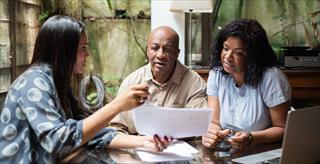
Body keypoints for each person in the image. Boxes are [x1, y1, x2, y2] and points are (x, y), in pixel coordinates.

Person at [0, 15, 171, 163]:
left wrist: (143, 142)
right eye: (82, 48)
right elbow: (58, 141)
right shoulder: (34, 81)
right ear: (63, 50)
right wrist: (116, 106)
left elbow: (89, 132)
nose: (87, 54)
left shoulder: (58, 83)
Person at [202, 18, 291, 149]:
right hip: (227, 150)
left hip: (262, 150)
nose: (227, 57)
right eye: (225, 48)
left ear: (253, 56)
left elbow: (282, 128)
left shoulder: (271, 77)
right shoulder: (216, 74)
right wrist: (212, 134)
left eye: (238, 52)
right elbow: (214, 122)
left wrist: (250, 137)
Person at [109, 26, 207, 135]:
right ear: (147, 51)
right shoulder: (131, 82)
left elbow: (199, 128)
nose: (160, 55)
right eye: (155, 48)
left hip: (178, 147)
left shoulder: (194, 82)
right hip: (137, 146)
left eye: (167, 49)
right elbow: (117, 128)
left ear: (177, 54)